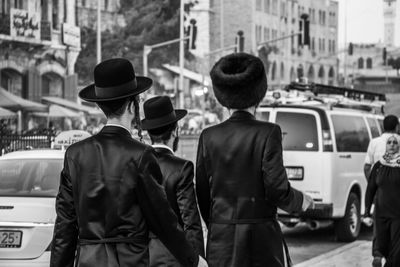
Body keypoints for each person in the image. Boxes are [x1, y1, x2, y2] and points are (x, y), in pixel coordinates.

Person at [50, 58, 207, 267]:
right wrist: (193, 259)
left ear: (99, 106)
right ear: (134, 105)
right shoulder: (141, 154)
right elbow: (163, 221)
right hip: (129, 261)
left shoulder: (75, 154)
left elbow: (64, 226)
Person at [195, 53, 314, 267]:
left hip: (221, 239)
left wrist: (220, 223)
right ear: (258, 94)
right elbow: (276, 188)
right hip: (261, 240)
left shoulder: (208, 136)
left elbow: (203, 193)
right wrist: (301, 201)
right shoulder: (269, 132)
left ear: (223, 96)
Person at [141, 96, 205, 266]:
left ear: (149, 133)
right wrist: (198, 259)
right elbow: (190, 221)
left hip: (140, 255)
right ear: (176, 131)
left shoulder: (135, 165)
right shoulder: (182, 168)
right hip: (174, 256)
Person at [364, 115, 399, 267]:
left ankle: (380, 256)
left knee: (382, 234)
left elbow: (366, 167)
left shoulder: (374, 142)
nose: (392, 145)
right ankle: (386, 258)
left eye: (394, 143)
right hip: (390, 202)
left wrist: (378, 187)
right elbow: (371, 184)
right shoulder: (381, 164)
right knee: (390, 237)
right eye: (390, 143)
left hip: (388, 202)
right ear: (397, 126)